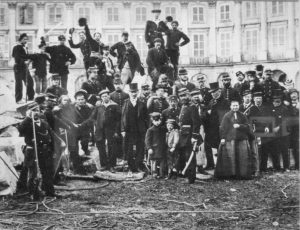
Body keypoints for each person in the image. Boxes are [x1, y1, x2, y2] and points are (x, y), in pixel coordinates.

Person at [17, 109, 56, 199]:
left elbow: (51, 136)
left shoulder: (44, 123)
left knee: (47, 171)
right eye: (32, 112)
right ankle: (34, 193)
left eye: (36, 111)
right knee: (33, 172)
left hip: (45, 150)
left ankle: (49, 192)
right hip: (33, 151)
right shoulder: (27, 124)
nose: (35, 114)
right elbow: (20, 131)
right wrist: (27, 118)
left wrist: (53, 150)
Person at [215, 99, 253, 179]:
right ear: (230, 106)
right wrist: (222, 138)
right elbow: (223, 128)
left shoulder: (242, 115)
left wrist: (240, 126)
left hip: (241, 139)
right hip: (230, 139)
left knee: (242, 156)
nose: (235, 107)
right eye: (233, 106)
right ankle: (231, 174)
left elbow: (247, 126)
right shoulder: (227, 116)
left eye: (236, 105)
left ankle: (241, 174)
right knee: (230, 156)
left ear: (239, 106)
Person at [89, 89, 121, 172]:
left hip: (111, 129)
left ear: (109, 96)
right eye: (103, 96)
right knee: (101, 147)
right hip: (100, 130)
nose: (105, 98)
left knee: (112, 147)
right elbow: (92, 117)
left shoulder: (115, 106)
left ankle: (112, 165)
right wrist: (97, 124)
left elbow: (118, 119)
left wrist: (116, 131)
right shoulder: (99, 106)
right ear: (101, 98)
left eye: (106, 96)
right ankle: (104, 165)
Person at [202, 82, 230, 170]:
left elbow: (225, 116)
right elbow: (206, 113)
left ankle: (222, 165)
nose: (213, 94)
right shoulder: (211, 101)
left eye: (215, 92)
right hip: (210, 128)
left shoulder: (225, 102)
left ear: (219, 91)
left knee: (220, 146)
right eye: (212, 93)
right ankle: (210, 164)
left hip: (219, 128)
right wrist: (207, 113)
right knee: (207, 146)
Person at [121, 83, 148, 172]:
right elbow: (122, 117)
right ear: (129, 92)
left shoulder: (142, 104)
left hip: (140, 130)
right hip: (129, 130)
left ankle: (138, 165)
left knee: (140, 147)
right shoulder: (125, 103)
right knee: (129, 148)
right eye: (132, 92)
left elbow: (146, 118)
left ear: (138, 92)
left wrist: (146, 130)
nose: (134, 94)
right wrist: (123, 129)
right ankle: (131, 166)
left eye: (135, 92)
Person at [177, 88, 201, 184]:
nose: (183, 97)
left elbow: (197, 123)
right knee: (184, 156)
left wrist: (194, 137)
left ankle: (191, 178)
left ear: (189, 96)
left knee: (190, 156)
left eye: (185, 95)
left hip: (190, 136)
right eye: (181, 96)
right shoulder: (183, 106)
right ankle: (185, 174)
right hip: (183, 135)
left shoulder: (192, 107)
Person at [268, 89, 291, 171]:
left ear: (280, 100)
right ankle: (276, 166)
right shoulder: (271, 109)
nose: (275, 102)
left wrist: (279, 127)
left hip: (284, 133)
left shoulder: (285, 109)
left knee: (284, 150)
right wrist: (272, 128)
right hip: (274, 133)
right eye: (274, 100)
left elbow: (286, 121)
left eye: (277, 100)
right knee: (275, 150)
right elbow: (269, 120)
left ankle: (286, 167)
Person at [12, 33, 35, 103]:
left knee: (30, 82)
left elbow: (26, 56)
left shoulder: (24, 47)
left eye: (27, 39)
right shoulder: (16, 47)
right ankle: (18, 99)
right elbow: (17, 58)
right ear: (20, 39)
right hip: (18, 67)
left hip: (24, 67)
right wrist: (25, 62)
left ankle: (31, 97)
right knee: (19, 84)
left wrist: (32, 58)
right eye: (24, 39)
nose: (26, 41)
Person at [145, 112, 168, 178]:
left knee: (162, 161)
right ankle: (154, 173)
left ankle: (162, 174)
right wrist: (149, 148)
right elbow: (147, 140)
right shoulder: (150, 130)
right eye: (155, 121)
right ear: (152, 121)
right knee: (154, 161)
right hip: (154, 149)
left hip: (162, 148)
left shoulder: (163, 129)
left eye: (158, 120)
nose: (157, 122)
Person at [287, 88, 299, 170]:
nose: (294, 96)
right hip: (291, 128)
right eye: (292, 94)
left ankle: (298, 164)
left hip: (298, 128)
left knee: (297, 147)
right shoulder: (288, 105)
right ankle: (290, 164)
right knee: (291, 146)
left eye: (295, 94)